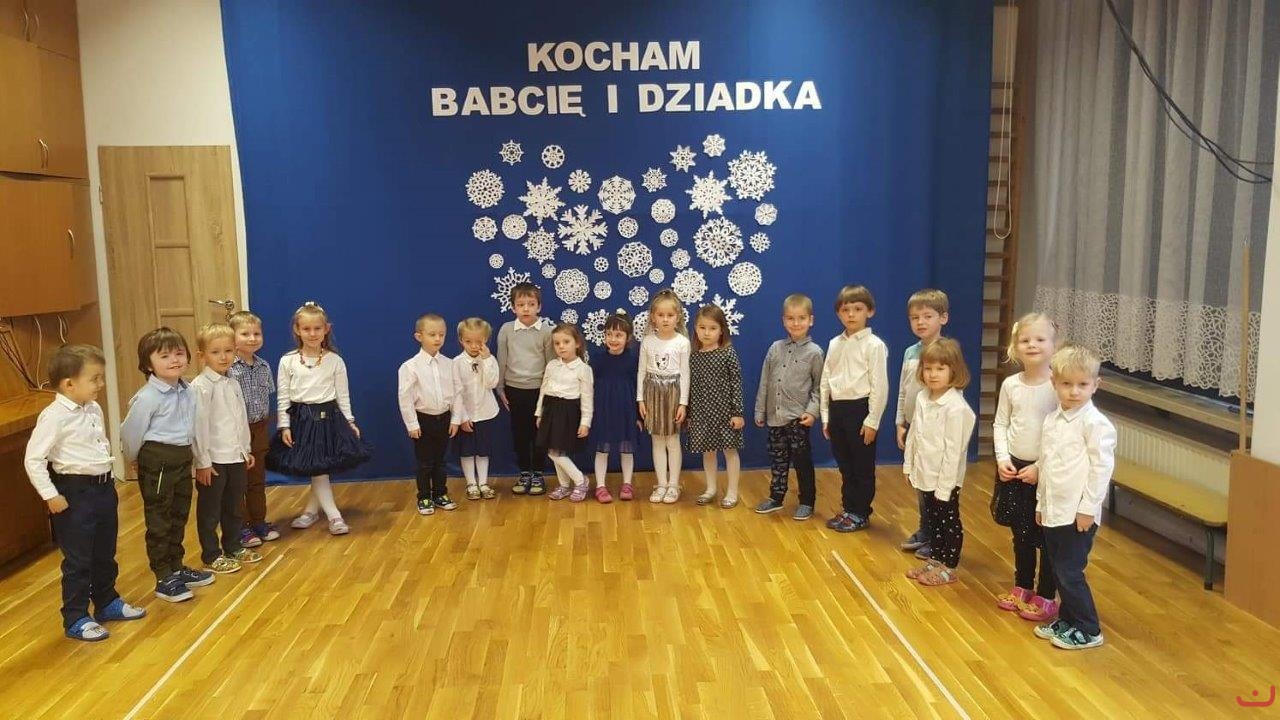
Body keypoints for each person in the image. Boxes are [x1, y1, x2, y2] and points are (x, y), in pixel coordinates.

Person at [24, 344, 145, 641]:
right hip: (74, 494)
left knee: (105, 551)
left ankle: (107, 601)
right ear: (69, 384)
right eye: (95, 379)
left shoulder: (93, 408)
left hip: (102, 489)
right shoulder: (54, 417)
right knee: (78, 560)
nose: (101, 384)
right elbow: (33, 459)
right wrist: (50, 495)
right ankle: (76, 616)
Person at [1033, 344, 1117, 651]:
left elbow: (1101, 470)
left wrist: (1088, 509)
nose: (1074, 391)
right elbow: (1046, 465)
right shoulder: (1052, 420)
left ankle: (1088, 628)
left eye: (1082, 384)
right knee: (1057, 569)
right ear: (1054, 383)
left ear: (1096, 385)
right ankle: (1068, 619)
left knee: (1070, 571)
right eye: (1066, 384)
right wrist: (1041, 504)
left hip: (1077, 514)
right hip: (1054, 510)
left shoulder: (1096, 425)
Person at [121, 327, 214, 602]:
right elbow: (130, 433)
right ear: (148, 364)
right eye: (164, 356)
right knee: (159, 519)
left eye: (179, 353)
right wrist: (134, 458)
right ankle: (163, 575)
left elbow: (193, 428)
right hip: (158, 460)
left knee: (179, 514)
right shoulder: (147, 397)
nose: (174, 360)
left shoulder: (188, 391)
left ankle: (176, 565)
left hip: (182, 458)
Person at [267, 301, 372, 535]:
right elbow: (283, 396)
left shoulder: (335, 360)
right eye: (306, 329)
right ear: (297, 330)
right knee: (317, 468)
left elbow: (343, 394)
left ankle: (322, 514)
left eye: (317, 328)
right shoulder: (288, 361)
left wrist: (350, 421)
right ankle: (326, 514)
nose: (312, 334)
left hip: (329, 420)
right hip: (302, 422)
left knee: (319, 468)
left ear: (326, 329)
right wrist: (284, 425)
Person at [992, 313, 1061, 622]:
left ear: (1054, 345)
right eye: (1025, 340)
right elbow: (1001, 424)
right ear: (1014, 347)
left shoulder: (1058, 386)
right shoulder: (1011, 385)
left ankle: (1046, 594)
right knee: (1021, 533)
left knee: (1046, 536)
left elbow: (1061, 434)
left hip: (1045, 473)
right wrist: (1002, 458)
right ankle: (1022, 585)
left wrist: (1040, 467)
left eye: (1040, 339)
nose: (1032, 345)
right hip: (1016, 470)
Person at [902, 339, 976, 586]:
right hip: (925, 473)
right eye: (928, 368)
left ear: (953, 371)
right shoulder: (923, 398)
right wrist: (909, 465)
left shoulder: (956, 407)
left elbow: (954, 452)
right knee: (932, 520)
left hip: (945, 479)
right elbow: (914, 434)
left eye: (940, 369)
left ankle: (949, 566)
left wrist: (945, 487)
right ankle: (935, 559)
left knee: (948, 521)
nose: (933, 374)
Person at [191, 323, 262, 575]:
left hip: (235, 456)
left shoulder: (232, 383)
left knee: (234, 506)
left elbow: (239, 419)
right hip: (213, 461)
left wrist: (245, 449)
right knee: (210, 510)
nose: (223, 357)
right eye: (215, 352)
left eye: (228, 351)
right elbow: (198, 427)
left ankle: (233, 546)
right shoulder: (200, 387)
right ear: (202, 356)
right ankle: (211, 554)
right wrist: (202, 462)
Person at [821, 285, 888, 533]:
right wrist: (826, 416)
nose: (851, 314)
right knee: (845, 465)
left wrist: (872, 420)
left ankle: (861, 512)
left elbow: (880, 385)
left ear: (869, 311)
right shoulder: (834, 343)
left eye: (858, 309)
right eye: (845, 310)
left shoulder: (874, 345)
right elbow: (826, 379)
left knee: (862, 466)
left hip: (860, 410)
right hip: (837, 409)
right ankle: (849, 509)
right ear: (838, 313)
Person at [754, 294, 824, 518]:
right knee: (778, 460)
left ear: (810, 320)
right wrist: (760, 410)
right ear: (784, 320)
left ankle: (807, 501)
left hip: (798, 418)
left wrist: (812, 412)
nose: (796, 323)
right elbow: (765, 381)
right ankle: (776, 497)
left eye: (801, 318)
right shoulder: (775, 348)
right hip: (775, 416)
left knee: (802, 461)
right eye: (791, 318)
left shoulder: (815, 352)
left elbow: (820, 387)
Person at [895, 289, 950, 557]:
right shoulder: (910, 353)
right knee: (919, 483)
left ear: (943, 318)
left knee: (936, 486)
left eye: (927, 316)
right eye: (915, 317)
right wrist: (900, 421)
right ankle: (926, 529)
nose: (921, 322)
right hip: (914, 428)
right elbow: (903, 390)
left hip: (936, 434)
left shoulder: (948, 353)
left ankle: (939, 536)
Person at [397, 313, 460, 516]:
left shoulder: (450, 364)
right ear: (419, 336)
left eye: (442, 334)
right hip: (423, 420)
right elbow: (405, 398)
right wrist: (412, 424)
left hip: (444, 419)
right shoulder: (410, 367)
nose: (438, 339)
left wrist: (456, 419)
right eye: (432, 334)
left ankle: (440, 493)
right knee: (425, 462)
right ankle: (424, 496)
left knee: (441, 460)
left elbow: (457, 393)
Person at [497, 282, 555, 495]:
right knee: (520, 434)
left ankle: (538, 473)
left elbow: (551, 364)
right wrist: (500, 388)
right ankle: (524, 473)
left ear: (539, 306)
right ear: (513, 307)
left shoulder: (547, 331)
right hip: (514, 389)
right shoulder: (506, 330)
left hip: (539, 390)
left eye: (531, 304)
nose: (526, 309)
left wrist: (548, 392)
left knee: (539, 434)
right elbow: (501, 360)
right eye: (521, 305)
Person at [227, 310, 278, 548]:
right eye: (245, 334)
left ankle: (259, 521)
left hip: (259, 429)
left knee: (256, 480)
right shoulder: (229, 369)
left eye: (257, 333)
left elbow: (267, 396)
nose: (252, 338)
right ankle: (241, 526)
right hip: (236, 431)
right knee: (238, 482)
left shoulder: (264, 366)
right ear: (232, 337)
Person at [686, 304, 745, 508]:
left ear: (721, 330)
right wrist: (690, 414)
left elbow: (736, 383)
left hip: (725, 412)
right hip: (702, 413)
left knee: (730, 451)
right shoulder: (694, 356)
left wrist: (737, 412)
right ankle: (711, 488)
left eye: (712, 328)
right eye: (702, 328)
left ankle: (732, 491)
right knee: (708, 451)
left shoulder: (727, 353)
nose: (707, 333)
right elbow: (691, 387)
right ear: (696, 328)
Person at [637, 289, 691, 504]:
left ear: (678, 317)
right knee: (657, 441)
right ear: (653, 317)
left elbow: (685, 374)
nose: (665, 319)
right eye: (661, 315)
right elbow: (641, 372)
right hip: (652, 393)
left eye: (670, 315)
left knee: (673, 440)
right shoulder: (647, 341)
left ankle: (673, 484)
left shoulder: (682, 342)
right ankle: (661, 483)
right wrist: (640, 399)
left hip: (673, 393)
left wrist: (683, 403)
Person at [536, 323, 594, 502]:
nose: (561, 346)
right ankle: (564, 485)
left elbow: (587, 398)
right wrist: (539, 413)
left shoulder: (583, 369)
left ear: (577, 343)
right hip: (550, 410)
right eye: (557, 343)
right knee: (553, 450)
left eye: (566, 342)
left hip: (568, 412)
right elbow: (544, 390)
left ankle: (580, 480)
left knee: (556, 452)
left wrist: (585, 422)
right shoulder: (552, 365)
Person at [589, 312, 641, 502]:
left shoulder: (634, 361)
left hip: (626, 412)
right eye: (609, 334)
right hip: (603, 411)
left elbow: (639, 389)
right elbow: (589, 388)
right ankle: (600, 486)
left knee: (626, 449)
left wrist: (638, 416)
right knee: (602, 449)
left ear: (628, 338)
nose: (613, 339)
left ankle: (627, 483)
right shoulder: (597, 360)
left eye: (618, 335)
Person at [453, 317, 500, 500]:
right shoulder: (456, 363)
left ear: (485, 340)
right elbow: (456, 392)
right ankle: (471, 483)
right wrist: (462, 417)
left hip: (486, 412)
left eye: (478, 342)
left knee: (483, 450)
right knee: (466, 450)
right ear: (461, 341)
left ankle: (483, 482)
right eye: (468, 341)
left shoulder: (490, 360)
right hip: (465, 415)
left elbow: (491, 383)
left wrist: (486, 360)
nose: (473, 346)